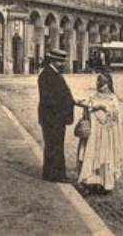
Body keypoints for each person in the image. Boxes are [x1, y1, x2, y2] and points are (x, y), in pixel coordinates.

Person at [75, 72, 123, 193]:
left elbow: (114, 116)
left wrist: (102, 108)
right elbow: (88, 108)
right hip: (94, 133)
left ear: (107, 83)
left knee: (105, 157)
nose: (98, 84)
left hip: (106, 133)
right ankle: (91, 182)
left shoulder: (113, 98)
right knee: (92, 154)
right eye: (98, 81)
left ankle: (104, 183)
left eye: (101, 82)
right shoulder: (94, 96)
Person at [38, 49, 76, 183]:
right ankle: (55, 175)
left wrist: (72, 101)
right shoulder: (47, 75)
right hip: (52, 118)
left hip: (54, 117)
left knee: (55, 145)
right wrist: (65, 105)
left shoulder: (52, 73)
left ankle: (52, 173)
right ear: (55, 61)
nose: (63, 64)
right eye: (61, 61)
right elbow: (50, 99)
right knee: (54, 146)